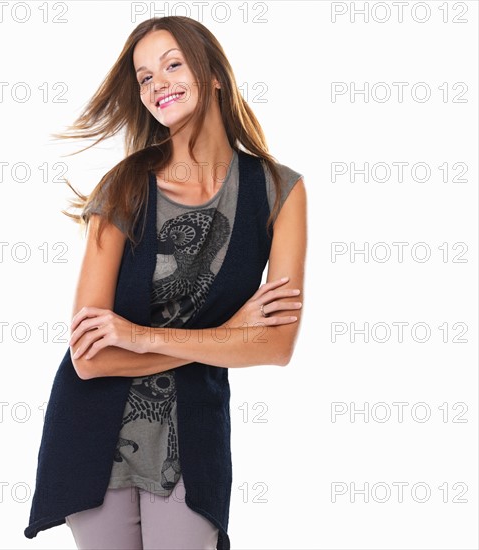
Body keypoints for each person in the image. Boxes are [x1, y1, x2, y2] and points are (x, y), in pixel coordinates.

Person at [24, 15, 307, 550]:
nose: (159, 85)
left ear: (214, 74)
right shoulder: (126, 186)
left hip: (192, 438)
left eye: (173, 65)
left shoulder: (278, 191)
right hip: (91, 436)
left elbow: (275, 344)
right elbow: (89, 357)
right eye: (145, 77)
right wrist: (226, 336)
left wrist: (141, 336)